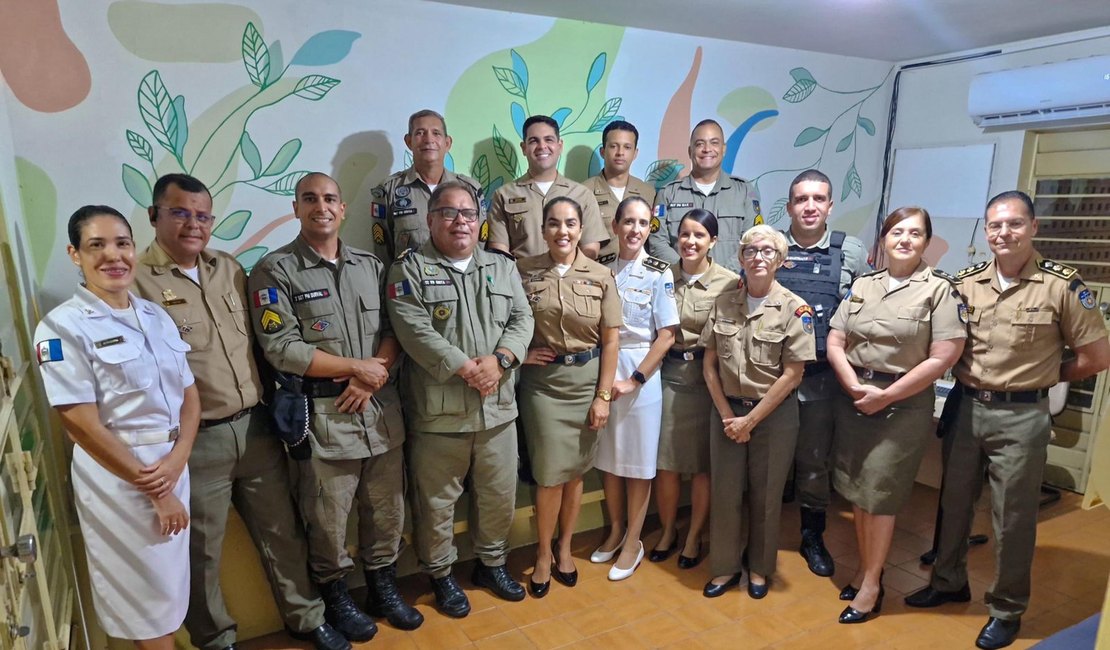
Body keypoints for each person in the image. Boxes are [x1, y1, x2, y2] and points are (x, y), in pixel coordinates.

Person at [132, 174, 348, 650]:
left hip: (255, 427)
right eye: (179, 212)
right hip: (194, 441)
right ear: (154, 216)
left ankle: (306, 618)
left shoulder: (228, 268)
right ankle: (216, 640)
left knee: (283, 532)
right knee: (202, 550)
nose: (193, 223)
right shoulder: (134, 284)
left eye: (202, 214)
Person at [905, 191, 1110, 650]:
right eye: (995, 225)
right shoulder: (965, 282)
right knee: (953, 503)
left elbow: (1097, 357)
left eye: (1014, 224)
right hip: (966, 406)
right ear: (986, 230)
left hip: (1022, 417)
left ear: (1033, 228)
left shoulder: (1062, 285)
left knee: (1011, 519)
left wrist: (1045, 376)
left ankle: (1006, 609)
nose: (1004, 233)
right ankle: (947, 581)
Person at [248, 173, 420, 642]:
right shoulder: (275, 270)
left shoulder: (370, 264)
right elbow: (281, 347)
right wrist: (356, 368)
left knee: (386, 513)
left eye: (329, 199)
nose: (320, 206)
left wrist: (373, 374)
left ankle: (383, 588)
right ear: (296, 208)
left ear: (342, 209)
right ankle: (336, 597)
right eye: (310, 199)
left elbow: (395, 328)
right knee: (327, 521)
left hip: (380, 412)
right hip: (324, 422)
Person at [34, 205, 197, 649]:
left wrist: (178, 459)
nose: (114, 256)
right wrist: (158, 491)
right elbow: (80, 425)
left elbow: (189, 395)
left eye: (122, 243)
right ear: (75, 254)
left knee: (167, 592)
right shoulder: (61, 327)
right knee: (144, 602)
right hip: (123, 484)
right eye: (96, 245)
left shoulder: (153, 314)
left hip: (170, 466)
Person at [386, 181, 535, 616]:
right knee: (436, 503)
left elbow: (523, 318)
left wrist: (502, 359)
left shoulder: (501, 267)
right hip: (439, 414)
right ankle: (441, 575)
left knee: (498, 495)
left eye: (468, 213)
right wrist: (464, 366)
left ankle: (491, 563)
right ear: (430, 220)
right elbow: (412, 327)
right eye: (449, 213)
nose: (460, 221)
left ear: (480, 220)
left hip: (498, 408)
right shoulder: (409, 269)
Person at [825, 207, 966, 624]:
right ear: (882, 240)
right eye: (897, 232)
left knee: (881, 495)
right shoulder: (864, 285)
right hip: (856, 398)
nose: (905, 240)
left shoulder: (939, 290)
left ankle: (870, 586)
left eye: (915, 234)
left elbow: (945, 356)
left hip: (901, 405)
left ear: (926, 242)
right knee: (859, 494)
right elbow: (836, 339)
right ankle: (868, 569)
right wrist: (853, 385)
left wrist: (886, 397)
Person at [701, 225, 815, 600]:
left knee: (766, 497)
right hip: (727, 412)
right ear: (740, 258)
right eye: (751, 251)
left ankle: (760, 568)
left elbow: (793, 374)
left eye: (768, 252)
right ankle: (725, 567)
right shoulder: (723, 302)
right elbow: (709, 365)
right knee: (726, 493)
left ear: (780, 261)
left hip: (773, 417)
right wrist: (726, 417)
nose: (758, 258)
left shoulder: (795, 308)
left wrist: (750, 421)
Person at [516, 197, 620, 597]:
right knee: (548, 475)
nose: (563, 231)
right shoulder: (522, 271)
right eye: (555, 224)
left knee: (575, 471)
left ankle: (564, 548)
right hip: (542, 386)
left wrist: (603, 396)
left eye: (571, 223)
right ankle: (542, 553)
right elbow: (504, 322)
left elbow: (611, 341)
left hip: (586, 382)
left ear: (581, 229)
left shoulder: (600, 275)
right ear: (543, 230)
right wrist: (520, 355)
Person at [775, 169, 870, 578]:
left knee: (814, 462)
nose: (809, 206)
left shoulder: (849, 250)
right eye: (801, 199)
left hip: (820, 378)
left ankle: (812, 536)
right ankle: (758, 534)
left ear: (830, 205)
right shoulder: (771, 246)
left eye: (818, 198)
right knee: (769, 460)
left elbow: (864, 311)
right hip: (773, 377)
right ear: (790, 205)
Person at [591, 197, 679, 581]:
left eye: (643, 223)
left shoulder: (660, 272)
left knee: (639, 464)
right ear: (615, 226)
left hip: (642, 374)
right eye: (628, 222)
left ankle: (634, 540)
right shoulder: (600, 270)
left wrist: (636, 379)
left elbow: (666, 336)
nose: (635, 230)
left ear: (649, 229)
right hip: (605, 368)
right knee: (609, 458)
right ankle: (614, 529)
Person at [651, 209, 738, 569]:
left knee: (703, 466)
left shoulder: (730, 283)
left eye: (699, 235)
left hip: (708, 381)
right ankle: (669, 530)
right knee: (667, 463)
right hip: (669, 375)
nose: (690, 241)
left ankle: (693, 536)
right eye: (685, 234)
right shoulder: (662, 277)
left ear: (713, 241)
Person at [369, 109, 486, 261]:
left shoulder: (470, 189)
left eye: (436, 133)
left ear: (447, 143)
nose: (428, 139)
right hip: (412, 281)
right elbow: (383, 253)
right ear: (409, 141)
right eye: (420, 133)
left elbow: (481, 247)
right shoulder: (389, 190)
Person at [486, 115, 608, 259]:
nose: (542, 146)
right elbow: (499, 251)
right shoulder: (504, 195)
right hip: (521, 279)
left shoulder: (582, 194)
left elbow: (590, 249)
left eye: (549, 139)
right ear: (524, 148)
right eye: (533, 141)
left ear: (559, 145)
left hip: (569, 280)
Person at [647, 119, 760, 273]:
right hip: (680, 288)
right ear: (690, 151)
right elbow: (657, 242)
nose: (707, 149)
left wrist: (722, 278)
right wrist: (685, 272)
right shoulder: (668, 194)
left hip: (731, 289)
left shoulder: (744, 191)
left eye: (714, 143)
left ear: (724, 149)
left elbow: (753, 239)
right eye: (700, 144)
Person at [582, 120, 656, 265]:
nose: (620, 153)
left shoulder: (648, 192)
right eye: (613, 146)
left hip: (640, 277)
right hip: (599, 274)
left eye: (627, 147)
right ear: (603, 152)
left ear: (635, 153)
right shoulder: (584, 192)